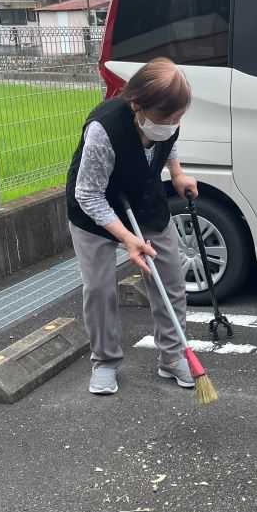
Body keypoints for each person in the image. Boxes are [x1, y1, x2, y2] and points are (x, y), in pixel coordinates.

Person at [66, 57, 198, 396]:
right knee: (99, 287)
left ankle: (172, 356)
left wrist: (178, 173)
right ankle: (105, 361)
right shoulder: (104, 128)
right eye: (164, 117)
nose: (170, 123)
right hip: (93, 209)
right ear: (137, 103)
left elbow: (170, 141)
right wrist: (127, 239)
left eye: (177, 117)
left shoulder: (168, 118)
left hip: (145, 199)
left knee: (169, 277)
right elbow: (88, 193)